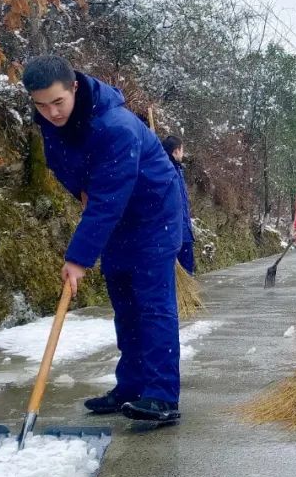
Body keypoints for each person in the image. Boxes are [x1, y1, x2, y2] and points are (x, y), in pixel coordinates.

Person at [24, 55, 182, 422]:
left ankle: (162, 396)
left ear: (74, 87)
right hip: (116, 220)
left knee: (152, 306)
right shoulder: (52, 122)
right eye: (42, 105)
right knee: (125, 306)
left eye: (58, 102)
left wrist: (78, 258)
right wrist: (80, 188)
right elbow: (67, 168)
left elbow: (109, 197)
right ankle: (130, 387)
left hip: (152, 215)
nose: (51, 112)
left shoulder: (116, 126)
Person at [161, 135, 195, 275]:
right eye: (182, 150)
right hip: (174, 232)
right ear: (175, 151)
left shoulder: (178, 170)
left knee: (187, 269)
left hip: (183, 230)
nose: (183, 153)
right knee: (180, 271)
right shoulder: (167, 171)